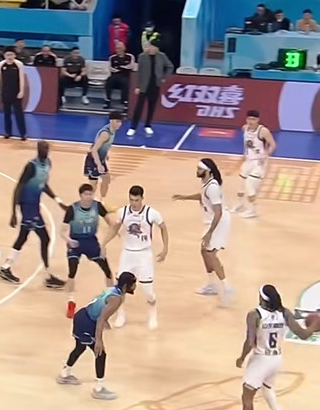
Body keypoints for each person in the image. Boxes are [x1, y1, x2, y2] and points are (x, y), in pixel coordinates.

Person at [230, 285, 320, 410]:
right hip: (276, 359)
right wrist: (314, 326)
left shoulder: (255, 315)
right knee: (268, 392)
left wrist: (241, 358)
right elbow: (303, 334)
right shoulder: (284, 312)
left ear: (261, 298)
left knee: (247, 398)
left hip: (261, 360)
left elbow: (250, 342)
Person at [57, 272, 137, 401]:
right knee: (100, 353)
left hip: (82, 315)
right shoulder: (117, 299)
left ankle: (65, 374)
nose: (135, 286)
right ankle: (99, 389)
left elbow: (99, 304)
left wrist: (104, 320)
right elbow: (100, 319)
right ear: (126, 285)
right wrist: (99, 340)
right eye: (133, 284)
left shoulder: (112, 290)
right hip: (88, 322)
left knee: (80, 347)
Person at [0, 140, 67, 288]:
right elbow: (18, 187)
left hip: (34, 207)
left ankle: (6, 267)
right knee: (44, 238)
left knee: (24, 237)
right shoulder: (31, 166)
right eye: (43, 148)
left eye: (47, 148)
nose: (45, 150)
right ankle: (48, 276)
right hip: (27, 206)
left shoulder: (48, 164)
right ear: (38, 149)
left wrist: (57, 200)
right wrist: (14, 212)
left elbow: (43, 184)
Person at [102, 185, 168, 329]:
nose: (134, 203)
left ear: (142, 198)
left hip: (144, 254)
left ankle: (152, 312)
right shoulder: (123, 212)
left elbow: (163, 227)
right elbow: (114, 229)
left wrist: (165, 249)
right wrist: (104, 244)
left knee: (148, 289)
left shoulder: (151, 213)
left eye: (136, 200)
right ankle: (121, 314)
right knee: (120, 287)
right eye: (131, 200)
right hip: (127, 253)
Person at [172, 158, 233, 306]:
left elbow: (218, 212)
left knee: (210, 254)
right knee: (204, 251)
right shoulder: (207, 183)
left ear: (208, 171)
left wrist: (210, 232)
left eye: (200, 169)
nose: (197, 171)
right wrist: (184, 197)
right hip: (212, 220)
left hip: (218, 222)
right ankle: (212, 284)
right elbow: (203, 196)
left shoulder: (213, 187)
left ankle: (227, 287)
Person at [63, 183, 116, 319]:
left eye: (90, 194)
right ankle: (71, 301)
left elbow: (111, 224)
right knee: (72, 271)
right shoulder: (72, 209)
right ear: (81, 195)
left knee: (106, 269)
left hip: (91, 241)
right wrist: (68, 240)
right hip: (76, 242)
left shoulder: (97, 206)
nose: (89, 197)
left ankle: (110, 298)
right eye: (86, 194)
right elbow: (62, 230)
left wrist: (105, 243)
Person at [232, 110, 275, 218]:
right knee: (241, 186)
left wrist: (265, 156)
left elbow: (273, 145)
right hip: (248, 160)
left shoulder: (263, 131)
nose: (251, 121)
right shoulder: (244, 128)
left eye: (253, 119)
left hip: (258, 163)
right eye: (249, 119)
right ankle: (239, 205)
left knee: (250, 185)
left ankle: (252, 210)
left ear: (258, 120)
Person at [127, 39, 172, 137]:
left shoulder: (162, 56)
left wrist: (164, 77)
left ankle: (148, 125)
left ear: (157, 48)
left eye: (154, 47)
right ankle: (133, 127)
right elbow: (139, 72)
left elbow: (170, 66)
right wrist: (138, 86)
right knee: (139, 107)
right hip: (144, 85)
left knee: (151, 107)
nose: (152, 49)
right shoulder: (142, 56)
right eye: (151, 46)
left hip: (155, 85)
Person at [85, 111, 124, 199]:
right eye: (117, 121)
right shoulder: (105, 134)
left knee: (106, 178)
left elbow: (106, 145)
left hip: (100, 158)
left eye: (120, 121)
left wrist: (106, 154)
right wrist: (99, 164)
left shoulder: (113, 131)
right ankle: (90, 200)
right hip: (94, 159)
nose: (120, 124)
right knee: (93, 184)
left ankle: (100, 199)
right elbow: (94, 150)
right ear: (111, 121)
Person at [0, 47, 27, 140]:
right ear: (4, 56)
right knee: (6, 113)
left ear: (15, 55)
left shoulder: (19, 64)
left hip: (16, 92)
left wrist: (21, 91)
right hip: (5, 92)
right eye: (7, 55)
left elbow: (22, 79)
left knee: (19, 113)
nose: (9, 57)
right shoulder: (1, 65)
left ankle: (23, 133)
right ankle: (8, 132)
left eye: (11, 55)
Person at [104, 41, 135, 110]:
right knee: (109, 81)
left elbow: (131, 66)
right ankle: (107, 100)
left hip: (125, 75)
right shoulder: (112, 57)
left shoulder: (130, 56)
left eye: (120, 48)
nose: (118, 50)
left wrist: (120, 67)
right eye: (117, 48)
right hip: (115, 75)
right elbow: (111, 68)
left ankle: (125, 101)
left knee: (125, 82)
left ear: (124, 48)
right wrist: (123, 67)